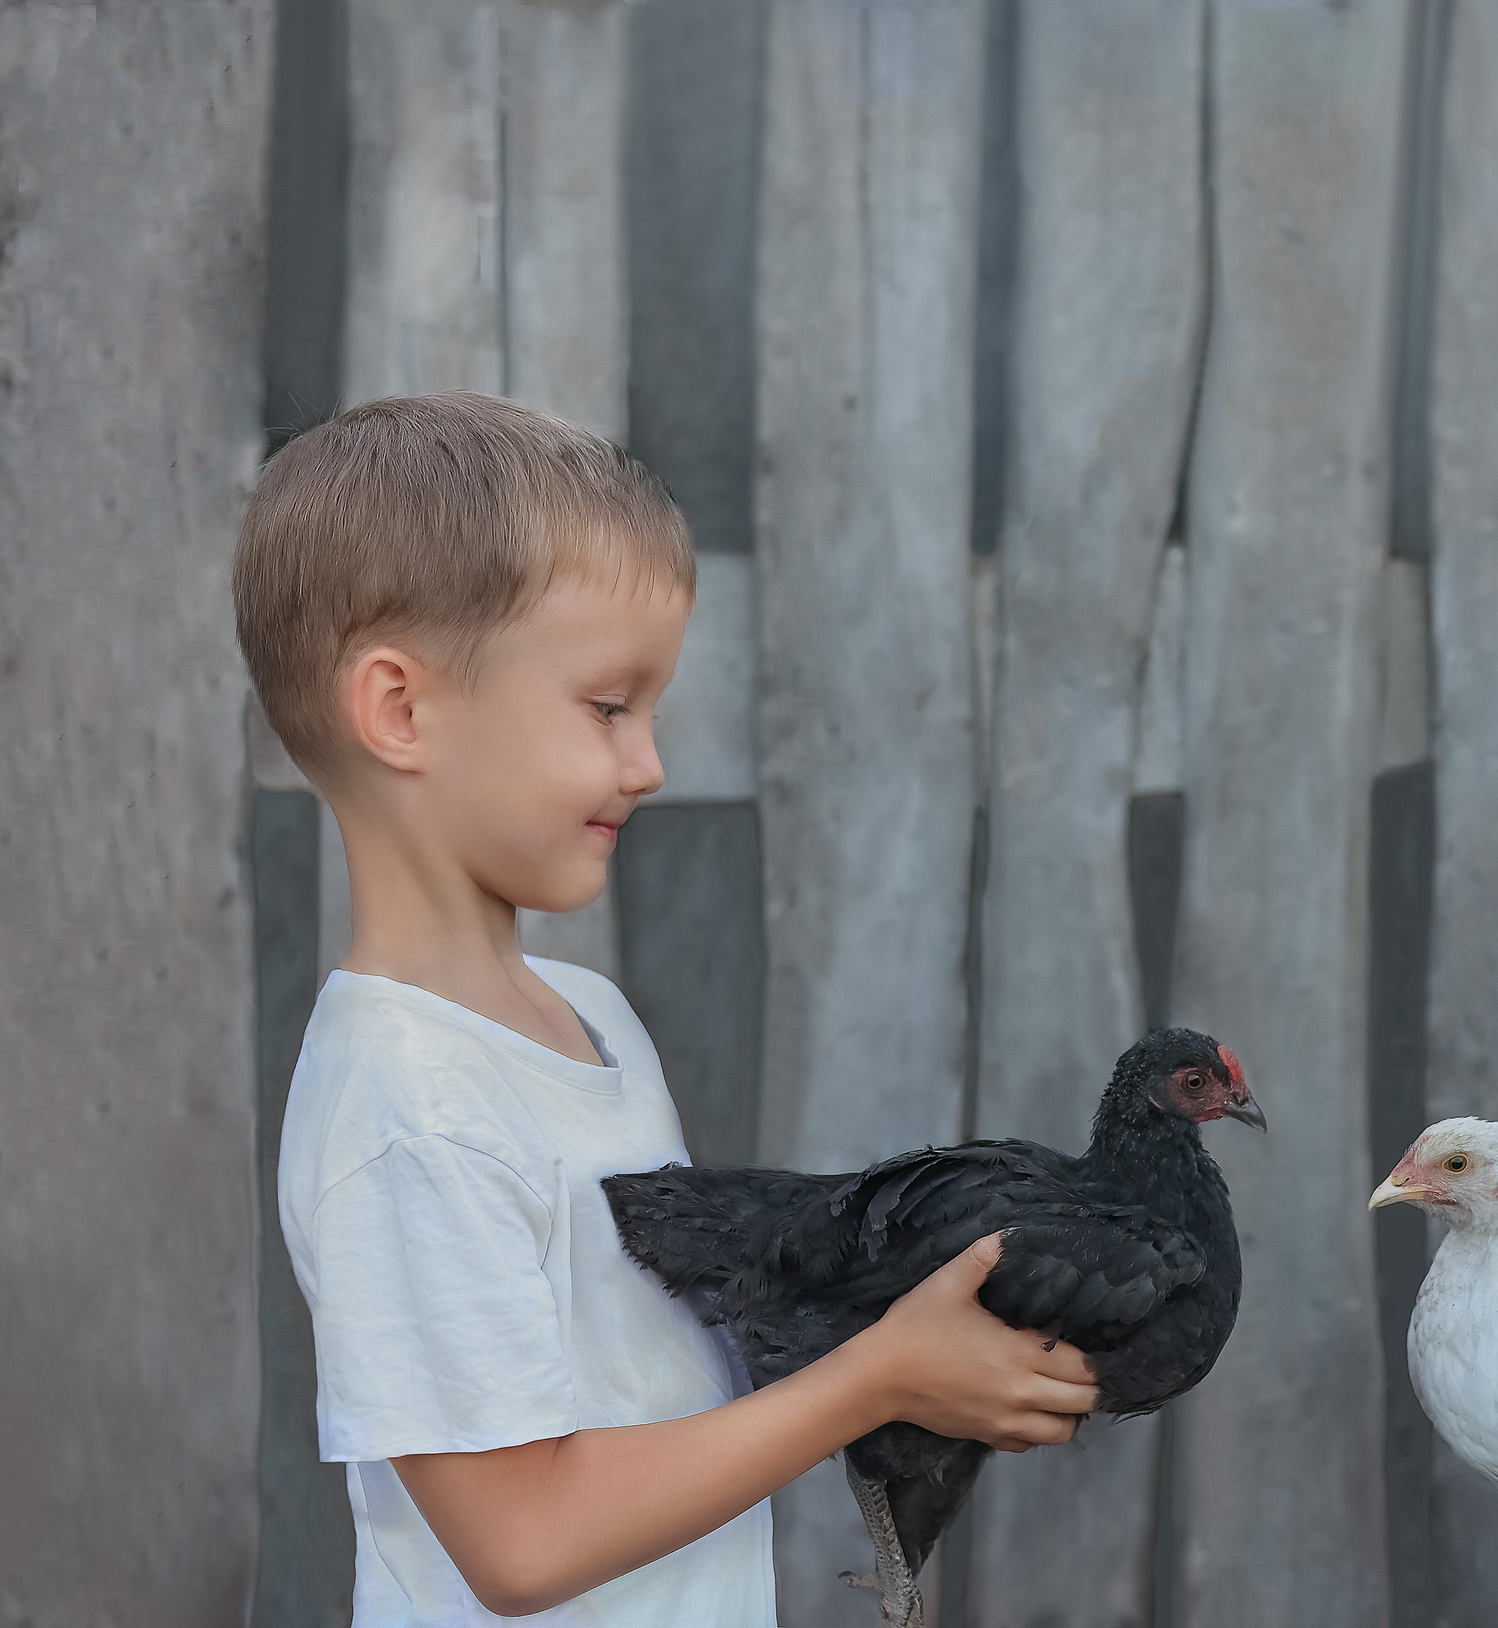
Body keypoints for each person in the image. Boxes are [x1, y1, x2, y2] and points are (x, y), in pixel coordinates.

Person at [238, 393, 1099, 1624]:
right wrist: (875, 1375)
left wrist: (913, 1329)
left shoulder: (586, 1018)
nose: (648, 763)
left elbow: (658, 1377)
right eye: (606, 706)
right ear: (400, 710)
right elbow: (521, 1539)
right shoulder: (408, 1108)